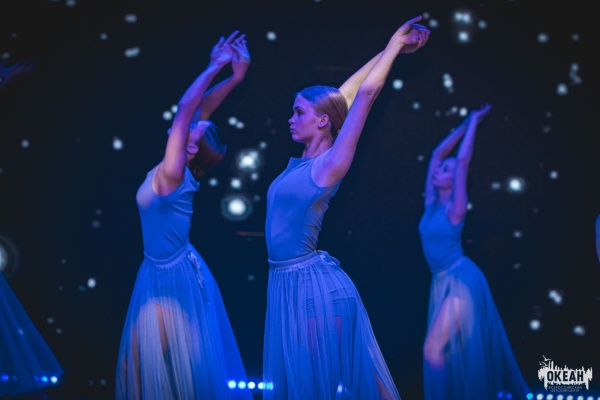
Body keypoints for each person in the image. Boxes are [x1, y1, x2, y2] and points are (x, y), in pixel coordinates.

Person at [262, 16, 430, 399]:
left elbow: (366, 95)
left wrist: (394, 45)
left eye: (299, 112)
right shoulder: (305, 161)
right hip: (288, 284)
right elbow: (346, 94)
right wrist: (391, 48)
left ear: (322, 121)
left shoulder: (330, 164)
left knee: (319, 389)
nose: (291, 119)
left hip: (313, 290)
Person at [114, 31, 253, 400]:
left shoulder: (173, 174)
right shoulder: (181, 166)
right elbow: (201, 108)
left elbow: (186, 108)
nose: (192, 122)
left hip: (170, 279)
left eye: (193, 128)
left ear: (190, 148)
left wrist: (214, 66)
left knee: (141, 370)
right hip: (169, 269)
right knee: (147, 370)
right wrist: (235, 78)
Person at [418, 103, 531, 399]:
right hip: (440, 281)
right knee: (445, 354)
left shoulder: (455, 209)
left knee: (433, 349)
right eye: (441, 169)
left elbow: (462, 161)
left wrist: (474, 125)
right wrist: (465, 122)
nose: (439, 170)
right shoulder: (431, 203)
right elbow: (437, 153)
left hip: (461, 282)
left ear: (455, 180)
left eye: (446, 170)